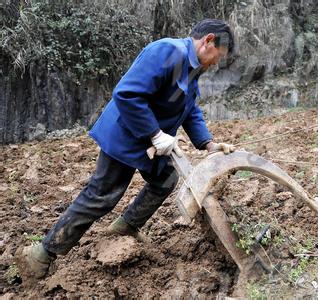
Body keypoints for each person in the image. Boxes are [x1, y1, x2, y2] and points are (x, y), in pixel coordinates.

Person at [16, 19, 236, 279]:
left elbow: (189, 109)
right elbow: (127, 94)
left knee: (165, 178)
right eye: (217, 57)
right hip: (125, 136)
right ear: (208, 40)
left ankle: (126, 227)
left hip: (147, 142)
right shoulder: (167, 52)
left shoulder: (191, 69)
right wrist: (155, 134)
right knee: (102, 195)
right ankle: (42, 254)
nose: (215, 64)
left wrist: (208, 144)